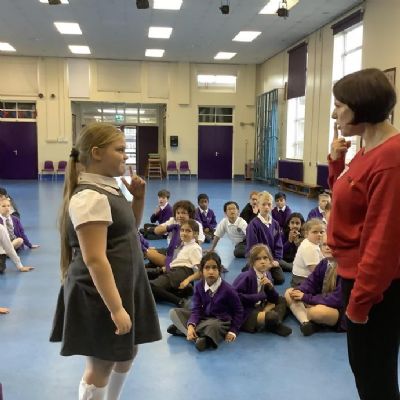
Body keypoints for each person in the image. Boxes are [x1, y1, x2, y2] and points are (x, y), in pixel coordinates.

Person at [49, 123, 161, 400]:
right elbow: (96, 259)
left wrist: (138, 198)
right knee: (101, 363)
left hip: (124, 285)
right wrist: (116, 309)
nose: (126, 156)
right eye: (120, 150)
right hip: (99, 293)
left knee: (128, 351)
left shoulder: (108, 188)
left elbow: (127, 232)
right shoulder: (89, 197)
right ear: (97, 153)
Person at [328, 68, 400, 400]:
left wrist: (360, 301)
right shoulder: (366, 150)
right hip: (353, 277)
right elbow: (345, 203)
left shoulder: (390, 158)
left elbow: (384, 241)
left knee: (375, 379)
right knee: (365, 372)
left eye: (339, 105)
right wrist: (335, 161)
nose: (334, 113)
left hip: (373, 289)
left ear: (362, 107)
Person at [168, 252, 243, 352]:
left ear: (220, 270)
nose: (211, 271)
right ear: (202, 271)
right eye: (207, 268)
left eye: (214, 268)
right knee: (174, 312)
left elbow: (239, 311)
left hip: (220, 321)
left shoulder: (228, 290)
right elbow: (196, 309)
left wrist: (233, 331)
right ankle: (197, 337)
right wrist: (191, 325)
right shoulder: (199, 286)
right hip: (203, 318)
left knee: (213, 326)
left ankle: (182, 330)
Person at [285, 234, 345, 336]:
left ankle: (307, 316)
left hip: (340, 310)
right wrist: (300, 290)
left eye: (331, 245)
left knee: (316, 312)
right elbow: (311, 282)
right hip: (320, 300)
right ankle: (306, 323)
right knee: (289, 292)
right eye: (324, 244)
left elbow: (337, 300)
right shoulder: (324, 263)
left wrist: (307, 298)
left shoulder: (345, 268)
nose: (327, 247)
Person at [233, 244, 291, 337]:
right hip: (246, 312)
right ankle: (273, 322)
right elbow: (235, 298)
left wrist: (270, 287)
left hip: (260, 306)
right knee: (272, 316)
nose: (262, 261)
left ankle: (272, 323)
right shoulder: (246, 276)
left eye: (265, 258)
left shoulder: (267, 274)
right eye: (258, 259)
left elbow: (274, 299)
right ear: (252, 262)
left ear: (270, 261)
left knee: (283, 300)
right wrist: (261, 296)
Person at [150, 219, 202, 306]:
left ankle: (179, 301)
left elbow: (200, 272)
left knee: (149, 286)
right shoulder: (183, 245)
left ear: (195, 234)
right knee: (149, 291)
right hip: (173, 271)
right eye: (182, 230)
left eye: (188, 231)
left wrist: (187, 280)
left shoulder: (195, 248)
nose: (184, 233)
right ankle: (179, 292)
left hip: (182, 272)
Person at [245, 191, 285, 285]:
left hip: (272, 260)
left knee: (280, 279)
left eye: (269, 204)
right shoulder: (253, 225)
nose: (266, 207)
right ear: (258, 206)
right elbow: (252, 248)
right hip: (259, 260)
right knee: (258, 279)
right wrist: (263, 262)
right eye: (263, 204)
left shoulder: (275, 224)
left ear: (272, 206)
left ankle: (267, 272)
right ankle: (249, 268)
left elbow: (278, 244)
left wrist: (276, 260)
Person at [290, 219, 325, 287]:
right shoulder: (309, 247)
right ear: (306, 234)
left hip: (304, 277)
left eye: (322, 232)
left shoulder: (313, 243)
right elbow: (315, 270)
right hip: (302, 280)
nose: (319, 234)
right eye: (315, 232)